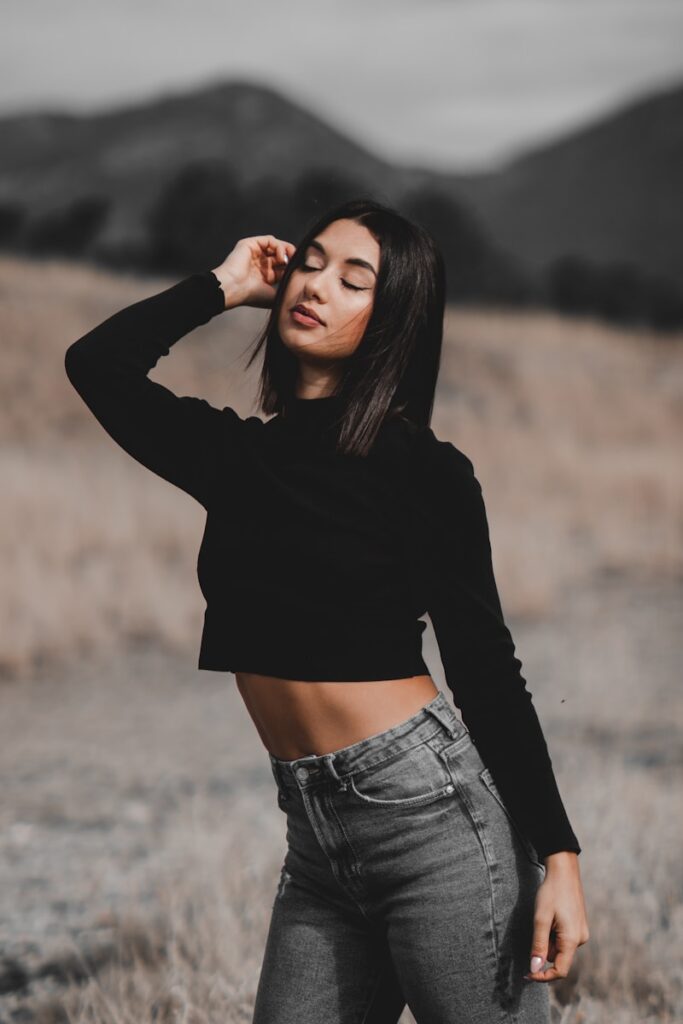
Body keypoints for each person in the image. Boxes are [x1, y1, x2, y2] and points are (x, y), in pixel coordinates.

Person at [64, 197, 589, 1023]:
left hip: (433, 823)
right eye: (309, 263)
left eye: (354, 280)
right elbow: (97, 365)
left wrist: (557, 854)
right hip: (313, 836)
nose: (315, 285)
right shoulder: (236, 457)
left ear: (393, 320)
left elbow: (486, 669)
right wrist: (225, 283)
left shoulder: (425, 471)